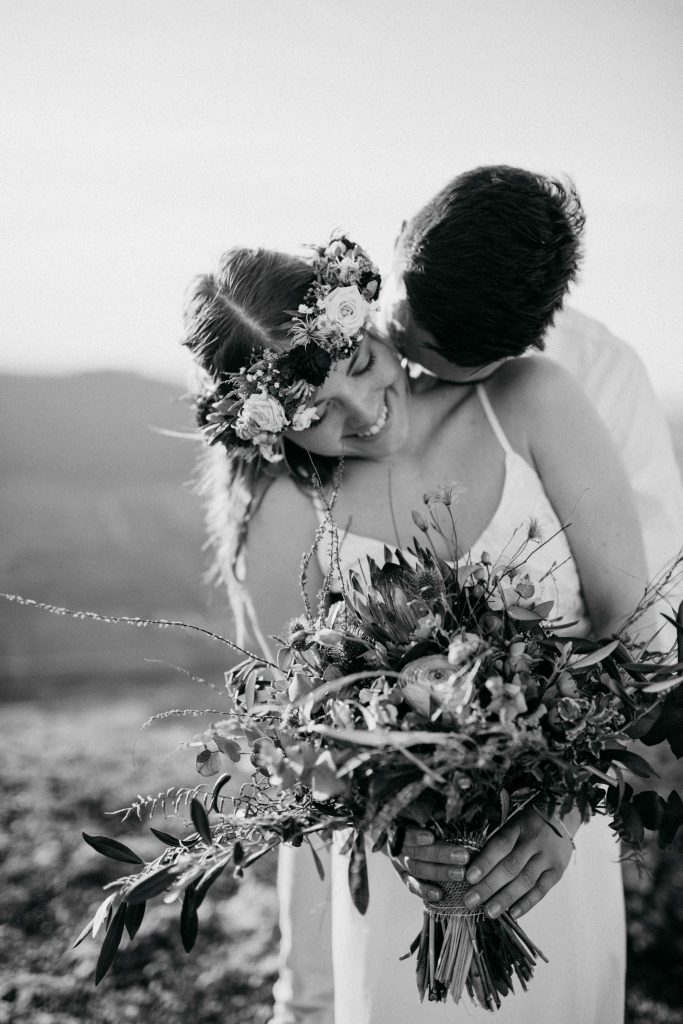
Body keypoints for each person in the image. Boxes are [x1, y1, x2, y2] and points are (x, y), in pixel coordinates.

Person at [183, 221, 650, 1023]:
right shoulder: (288, 513)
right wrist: (400, 827)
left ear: (367, 319)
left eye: (360, 363)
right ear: (265, 426)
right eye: (317, 410)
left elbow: (630, 630)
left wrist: (562, 806)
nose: (364, 411)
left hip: (552, 856)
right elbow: (301, 734)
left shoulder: (526, 399)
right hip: (404, 885)